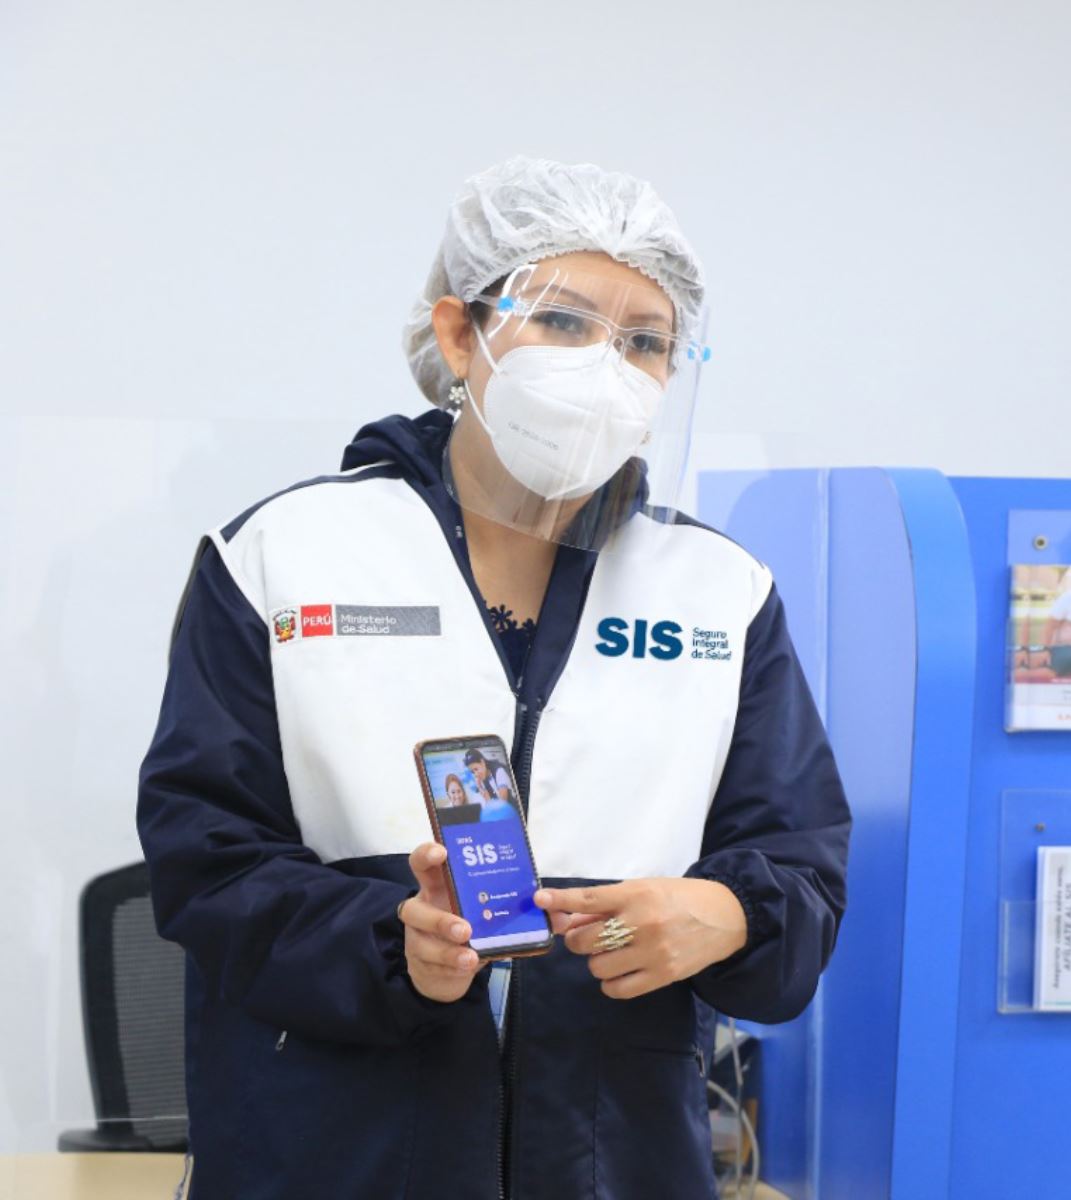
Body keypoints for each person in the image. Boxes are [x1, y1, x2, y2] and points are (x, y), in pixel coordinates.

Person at [137, 157, 851, 1198]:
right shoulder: (282, 559)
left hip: (614, 1161)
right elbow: (205, 859)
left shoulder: (718, 595)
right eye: (561, 321)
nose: (605, 367)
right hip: (334, 1158)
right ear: (459, 334)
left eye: (645, 342)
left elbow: (803, 869)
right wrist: (391, 946)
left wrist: (729, 915)